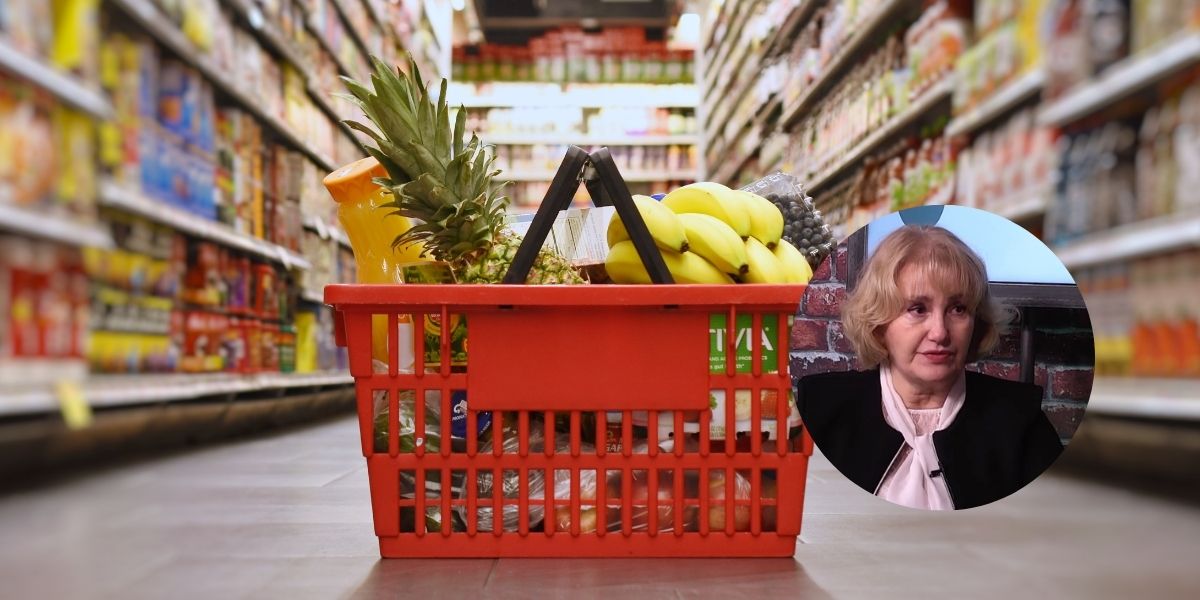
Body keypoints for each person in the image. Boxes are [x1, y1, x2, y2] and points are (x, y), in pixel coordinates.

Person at [797, 225, 1063, 510]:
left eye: (958, 309)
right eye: (918, 309)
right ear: (879, 323)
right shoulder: (820, 409)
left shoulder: (1020, 421)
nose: (940, 333)